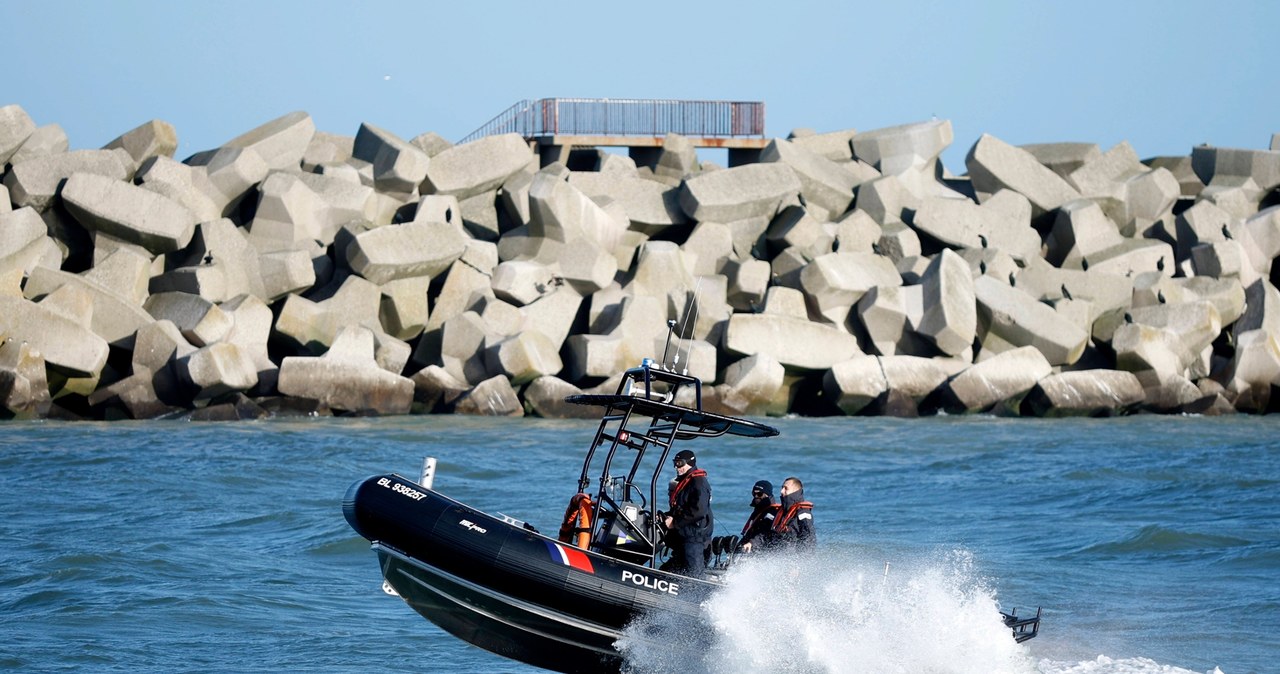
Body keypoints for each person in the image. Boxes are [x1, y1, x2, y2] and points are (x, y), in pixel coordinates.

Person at [662, 448, 713, 577]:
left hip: (694, 537)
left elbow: (698, 511)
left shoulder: (698, 482)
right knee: (668, 570)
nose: (676, 467)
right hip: (684, 535)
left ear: (690, 463)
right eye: (675, 463)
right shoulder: (687, 481)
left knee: (694, 573)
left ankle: (699, 595)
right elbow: (682, 507)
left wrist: (675, 523)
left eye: (680, 464)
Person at [771, 476, 815, 551]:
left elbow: (808, 537)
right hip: (779, 555)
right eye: (782, 488)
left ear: (795, 491)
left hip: (794, 557)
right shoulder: (781, 512)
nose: (781, 491)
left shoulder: (803, 512)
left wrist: (803, 559)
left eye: (786, 488)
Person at [739, 480, 779, 553]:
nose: (756, 496)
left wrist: (752, 543)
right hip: (750, 548)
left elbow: (766, 534)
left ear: (767, 495)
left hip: (764, 552)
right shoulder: (758, 510)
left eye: (759, 494)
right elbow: (750, 533)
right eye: (754, 494)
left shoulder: (773, 512)